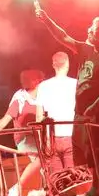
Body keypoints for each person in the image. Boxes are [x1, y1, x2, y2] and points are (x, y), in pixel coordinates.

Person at [34, 4, 99, 196]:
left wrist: (94, 107)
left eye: (92, 29)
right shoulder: (84, 49)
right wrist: (46, 20)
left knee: (96, 149)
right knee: (81, 149)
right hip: (80, 111)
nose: (88, 30)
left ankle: (98, 189)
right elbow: (63, 36)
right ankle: (89, 186)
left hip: (96, 113)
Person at [0, 69, 45, 196]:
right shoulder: (19, 98)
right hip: (25, 138)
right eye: (22, 78)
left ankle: (45, 191)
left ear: (38, 81)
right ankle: (16, 188)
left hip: (42, 138)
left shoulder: (44, 97)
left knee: (48, 162)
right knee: (41, 159)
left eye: (26, 78)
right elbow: (5, 119)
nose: (23, 81)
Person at [35, 51, 77, 179]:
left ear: (53, 65)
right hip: (72, 136)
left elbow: (39, 117)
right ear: (68, 64)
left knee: (56, 180)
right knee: (74, 179)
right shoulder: (76, 84)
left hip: (51, 139)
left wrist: (42, 143)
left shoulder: (43, 86)